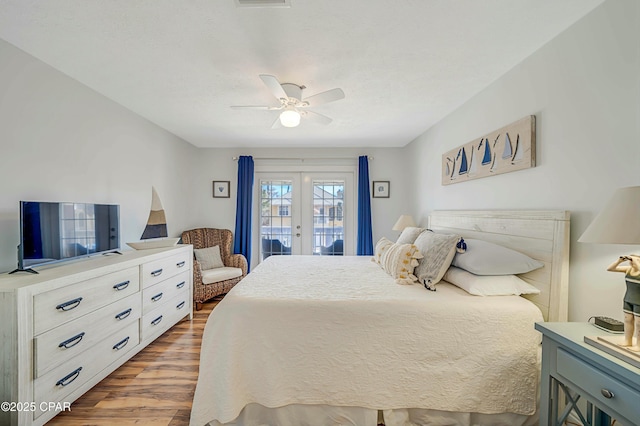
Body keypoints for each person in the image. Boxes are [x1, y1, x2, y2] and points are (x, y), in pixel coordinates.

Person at [607, 255, 640, 350]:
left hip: (638, 302)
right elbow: (610, 268)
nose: (632, 261)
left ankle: (639, 344)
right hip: (628, 299)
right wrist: (619, 261)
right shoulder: (628, 269)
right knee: (627, 320)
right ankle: (628, 340)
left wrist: (636, 260)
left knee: (639, 323)